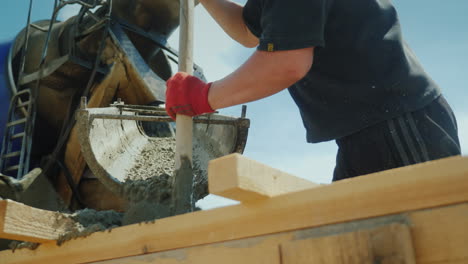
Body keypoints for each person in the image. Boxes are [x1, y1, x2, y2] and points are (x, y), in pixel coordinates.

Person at [165, 0, 461, 181]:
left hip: (397, 124)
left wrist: (200, 97)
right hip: (370, 131)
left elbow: (287, 62)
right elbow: (248, 32)